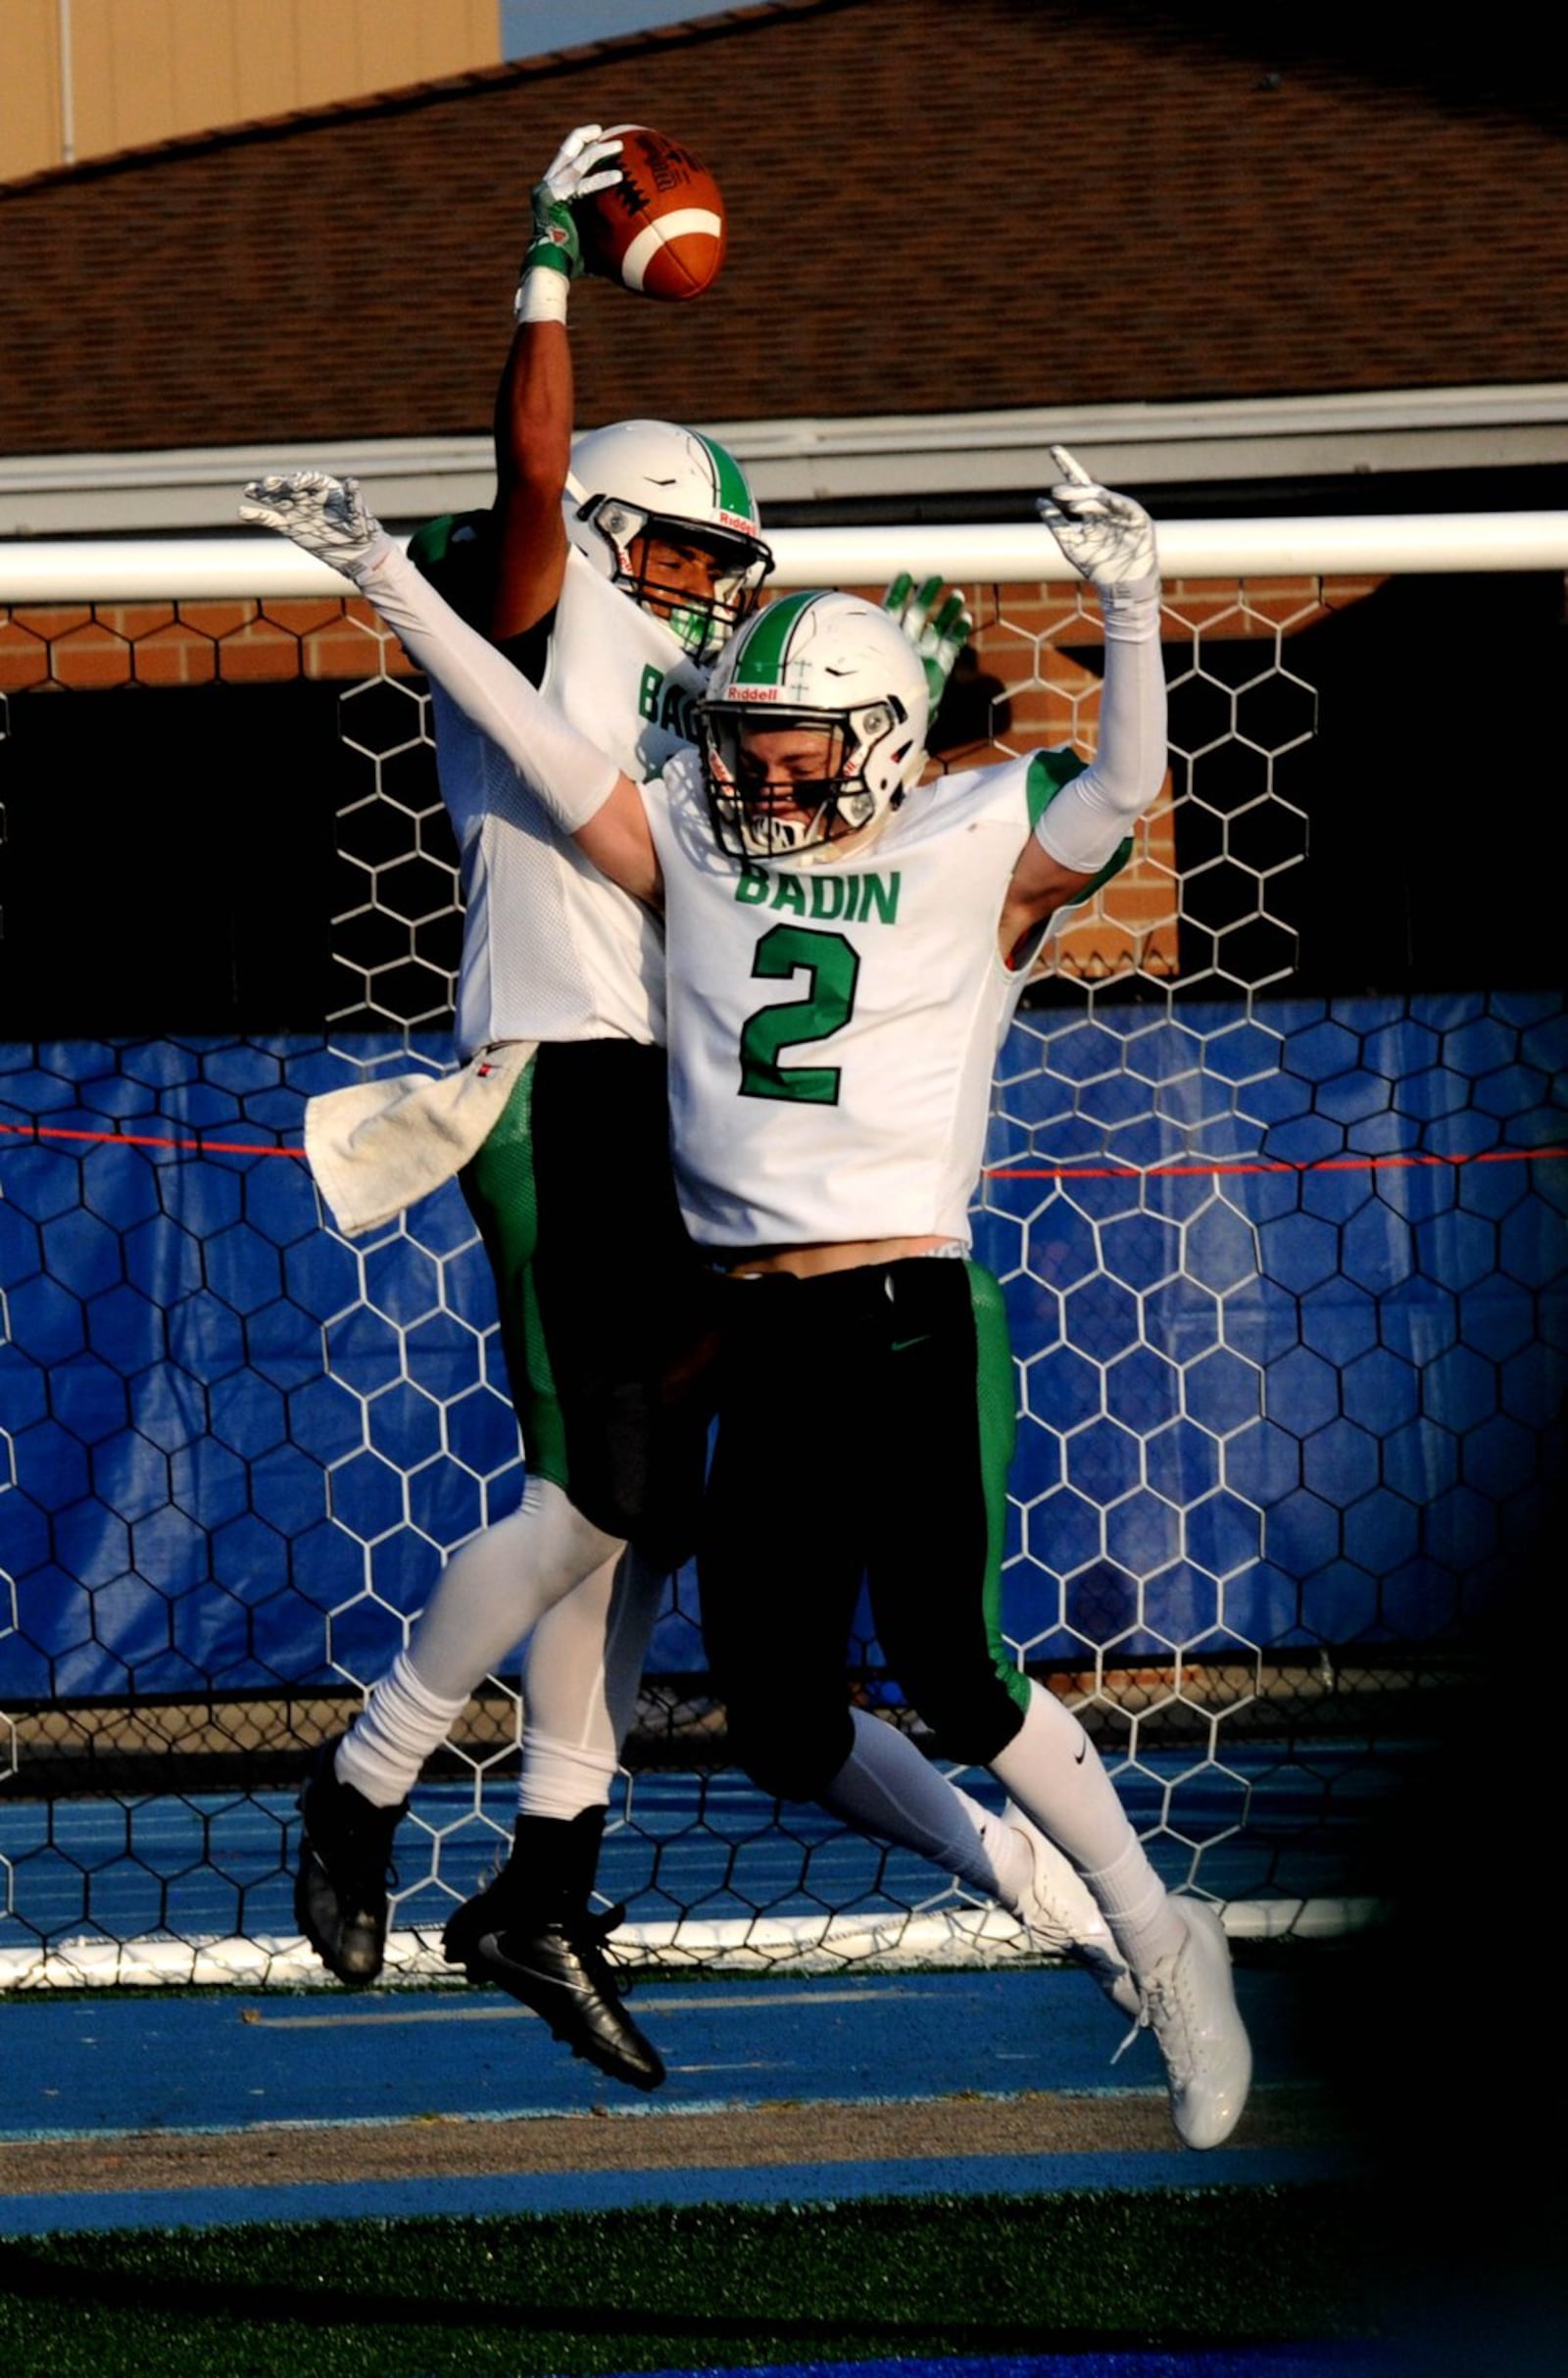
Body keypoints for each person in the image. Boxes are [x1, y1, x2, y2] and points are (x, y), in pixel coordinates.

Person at [241, 446, 1252, 2149]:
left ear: (877, 743)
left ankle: (1164, 1945)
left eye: (787, 751)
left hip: (909, 1309)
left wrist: (1132, 601)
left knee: (953, 1659)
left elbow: (1121, 794)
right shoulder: (701, 851)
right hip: (768, 1329)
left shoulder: (970, 845)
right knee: (782, 1719)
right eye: (740, 747)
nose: (760, 780)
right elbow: (558, 752)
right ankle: (988, 1882)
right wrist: (393, 588)